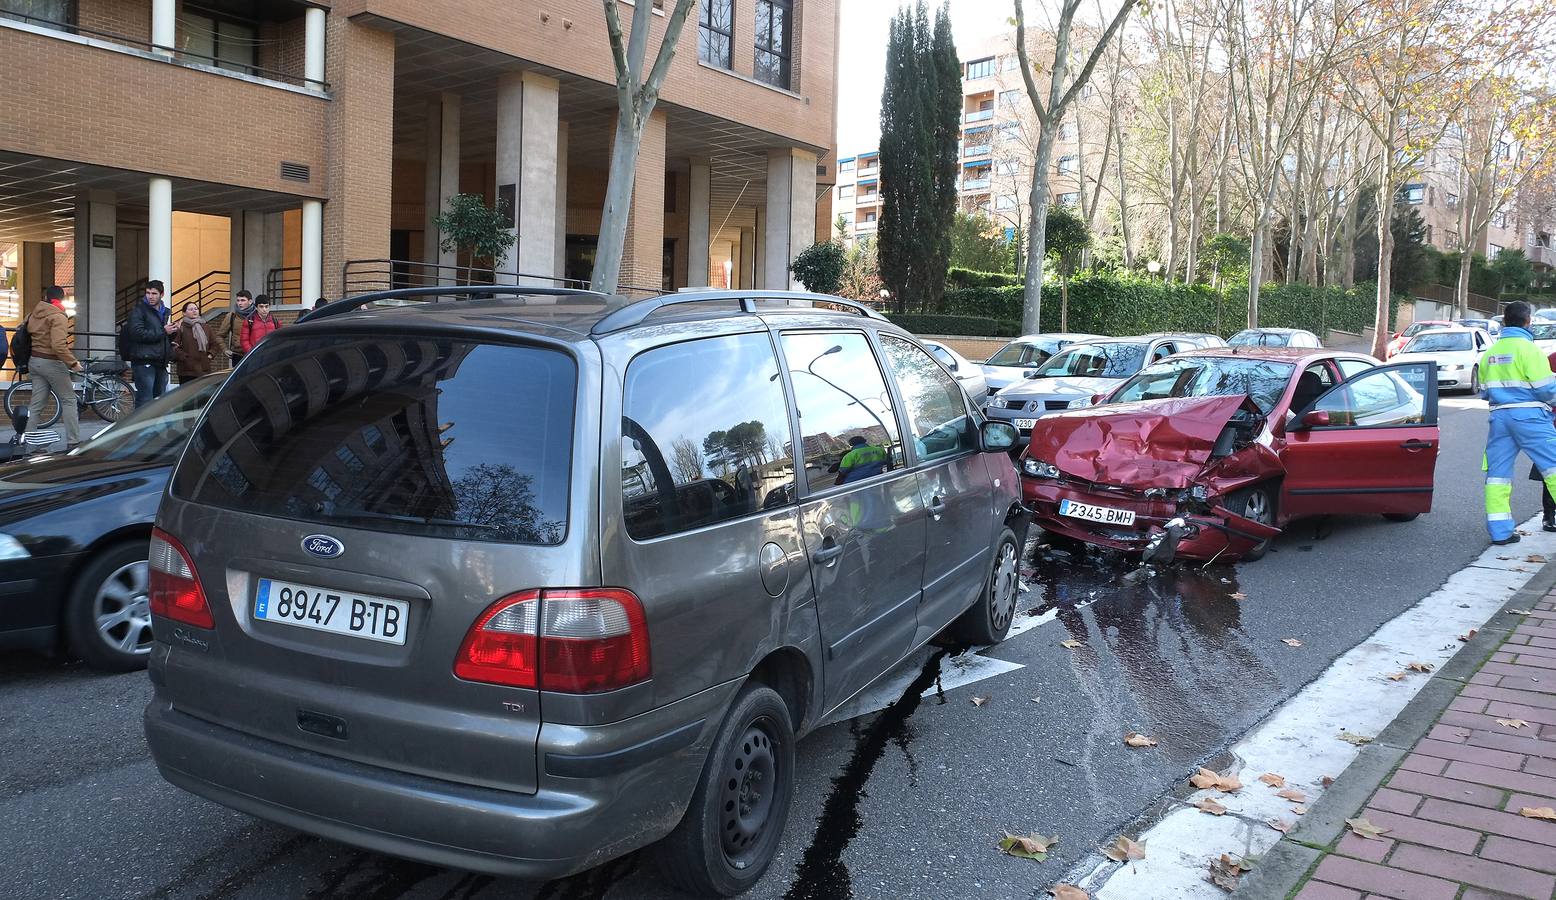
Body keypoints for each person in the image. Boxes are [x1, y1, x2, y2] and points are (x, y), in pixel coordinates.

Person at [1480, 300, 1556, 544]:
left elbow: (1484, 391)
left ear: (1504, 321)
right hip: (1531, 417)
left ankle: (1501, 532)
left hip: (1500, 418)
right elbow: (1547, 391)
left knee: (1497, 475)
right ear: (1528, 321)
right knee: (1553, 468)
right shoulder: (1530, 351)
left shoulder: (1489, 354)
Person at [25, 285, 82, 449]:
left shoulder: (34, 314)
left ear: (46, 297)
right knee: (69, 400)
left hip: (34, 361)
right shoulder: (58, 316)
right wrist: (73, 363)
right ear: (61, 298)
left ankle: (29, 443)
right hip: (51, 363)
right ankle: (73, 442)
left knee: (36, 405)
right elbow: (58, 346)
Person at [125, 280, 175, 408]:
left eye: (154, 293)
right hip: (143, 360)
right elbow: (138, 334)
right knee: (145, 400)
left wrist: (172, 334)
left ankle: (156, 427)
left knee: (159, 400)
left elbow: (160, 336)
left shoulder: (164, 312)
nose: (150, 296)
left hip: (160, 361)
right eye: (148, 293)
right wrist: (164, 331)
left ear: (161, 294)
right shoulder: (139, 311)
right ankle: (140, 428)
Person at [172, 301, 217, 382]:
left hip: (203, 368)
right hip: (186, 370)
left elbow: (214, 344)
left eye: (196, 309)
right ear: (184, 313)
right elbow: (174, 346)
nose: (194, 311)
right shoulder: (180, 327)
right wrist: (185, 358)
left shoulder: (206, 327)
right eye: (191, 309)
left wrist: (210, 355)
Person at [223, 289, 256, 368]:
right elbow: (220, 335)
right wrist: (225, 349)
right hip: (238, 355)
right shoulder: (232, 316)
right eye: (238, 300)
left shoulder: (257, 316)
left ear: (250, 301)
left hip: (254, 354)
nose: (240, 303)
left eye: (243, 300)